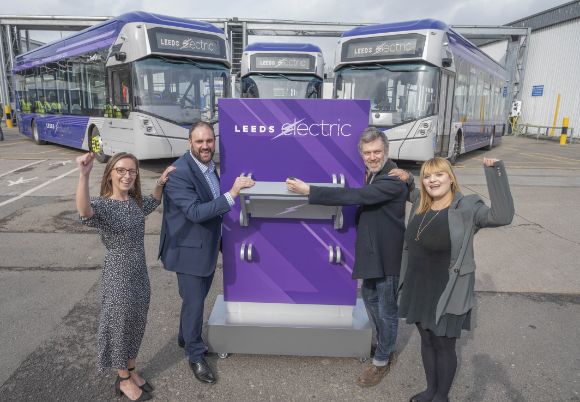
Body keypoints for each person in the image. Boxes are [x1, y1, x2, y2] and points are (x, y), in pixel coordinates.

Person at [286, 127, 408, 387]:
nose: (372, 157)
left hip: (388, 254)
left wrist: (310, 190)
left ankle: (383, 359)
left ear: (386, 151)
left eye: (377, 152)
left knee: (386, 308)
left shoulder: (394, 180)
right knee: (370, 300)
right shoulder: (372, 175)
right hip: (373, 252)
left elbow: (357, 196)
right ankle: (384, 345)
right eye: (367, 153)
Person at [394, 157, 514, 402]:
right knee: (426, 340)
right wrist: (407, 179)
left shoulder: (467, 208)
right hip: (418, 286)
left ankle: (441, 396)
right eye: (427, 176)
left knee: (443, 344)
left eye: (439, 175)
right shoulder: (421, 202)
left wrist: (495, 171)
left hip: (448, 288)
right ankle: (430, 390)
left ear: (451, 177)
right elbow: (411, 189)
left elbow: (503, 216)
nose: (432, 180)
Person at [159, 121, 255, 384]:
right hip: (188, 250)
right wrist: (234, 193)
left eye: (209, 141)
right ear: (190, 142)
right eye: (199, 141)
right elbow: (195, 212)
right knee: (195, 303)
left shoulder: (209, 167)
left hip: (206, 247)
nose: (205, 146)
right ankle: (196, 355)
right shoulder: (179, 172)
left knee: (195, 299)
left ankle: (184, 337)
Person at [76, 151, 175, 401]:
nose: (127, 175)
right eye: (121, 170)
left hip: (139, 273)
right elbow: (84, 212)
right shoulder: (103, 205)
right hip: (118, 275)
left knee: (135, 322)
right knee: (119, 326)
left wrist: (161, 182)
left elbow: (152, 202)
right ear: (110, 173)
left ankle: (131, 370)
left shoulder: (133, 201)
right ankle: (122, 380)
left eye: (131, 171)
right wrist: (83, 175)